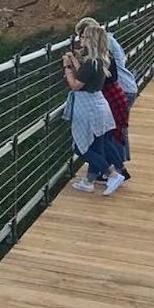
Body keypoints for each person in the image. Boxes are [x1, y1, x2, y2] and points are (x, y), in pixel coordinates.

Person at [61, 25, 126, 196]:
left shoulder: (91, 63)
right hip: (99, 105)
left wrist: (67, 68)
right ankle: (88, 182)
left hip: (87, 107)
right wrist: (74, 60)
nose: (81, 40)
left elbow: (75, 85)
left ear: (91, 40)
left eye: (84, 37)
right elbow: (85, 73)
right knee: (96, 146)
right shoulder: (101, 60)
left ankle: (112, 175)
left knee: (81, 147)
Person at [76, 17, 134, 179]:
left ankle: (109, 173)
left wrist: (73, 67)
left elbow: (83, 81)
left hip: (117, 91)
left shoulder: (99, 56)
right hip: (122, 90)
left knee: (106, 135)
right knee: (110, 134)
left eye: (82, 36)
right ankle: (115, 170)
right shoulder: (105, 47)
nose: (81, 40)